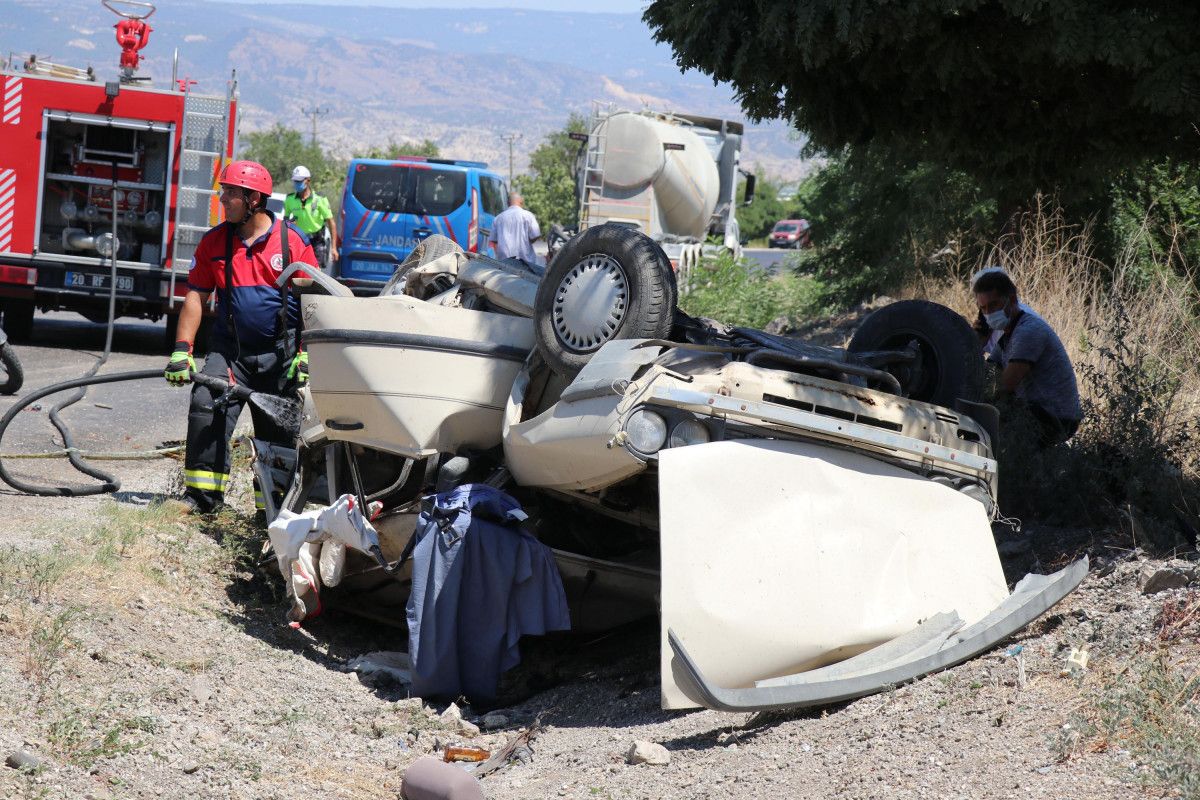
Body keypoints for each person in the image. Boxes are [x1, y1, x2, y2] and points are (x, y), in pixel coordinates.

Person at [164, 160, 318, 514]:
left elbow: (314, 303)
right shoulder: (214, 242)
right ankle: (202, 500)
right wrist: (181, 350)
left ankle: (273, 512)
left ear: (254, 199)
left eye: (231, 193)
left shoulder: (293, 243)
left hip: (281, 356)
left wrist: (306, 354)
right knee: (205, 401)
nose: (223, 199)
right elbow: (195, 297)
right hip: (230, 353)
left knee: (280, 432)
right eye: (224, 191)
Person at [972, 267, 1082, 447]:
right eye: (983, 309)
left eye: (993, 305)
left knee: (988, 416)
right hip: (1035, 409)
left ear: (1012, 300)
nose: (989, 314)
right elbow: (989, 372)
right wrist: (977, 340)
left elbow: (1005, 385)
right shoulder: (1009, 333)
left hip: (1055, 417)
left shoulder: (1028, 331)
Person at [284, 165, 337, 270]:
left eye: (299, 181)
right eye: (295, 181)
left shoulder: (319, 199)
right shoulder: (289, 199)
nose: (296, 184)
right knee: (297, 272)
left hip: (317, 241)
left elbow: (331, 222)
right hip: (299, 241)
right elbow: (285, 221)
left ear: (307, 181)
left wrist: (334, 248)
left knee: (316, 274)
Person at [488, 192, 541, 265]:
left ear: (508, 203)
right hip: (526, 262)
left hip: (504, 262)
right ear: (521, 201)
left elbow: (493, 240)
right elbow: (536, 235)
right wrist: (527, 242)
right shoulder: (528, 215)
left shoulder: (498, 218)